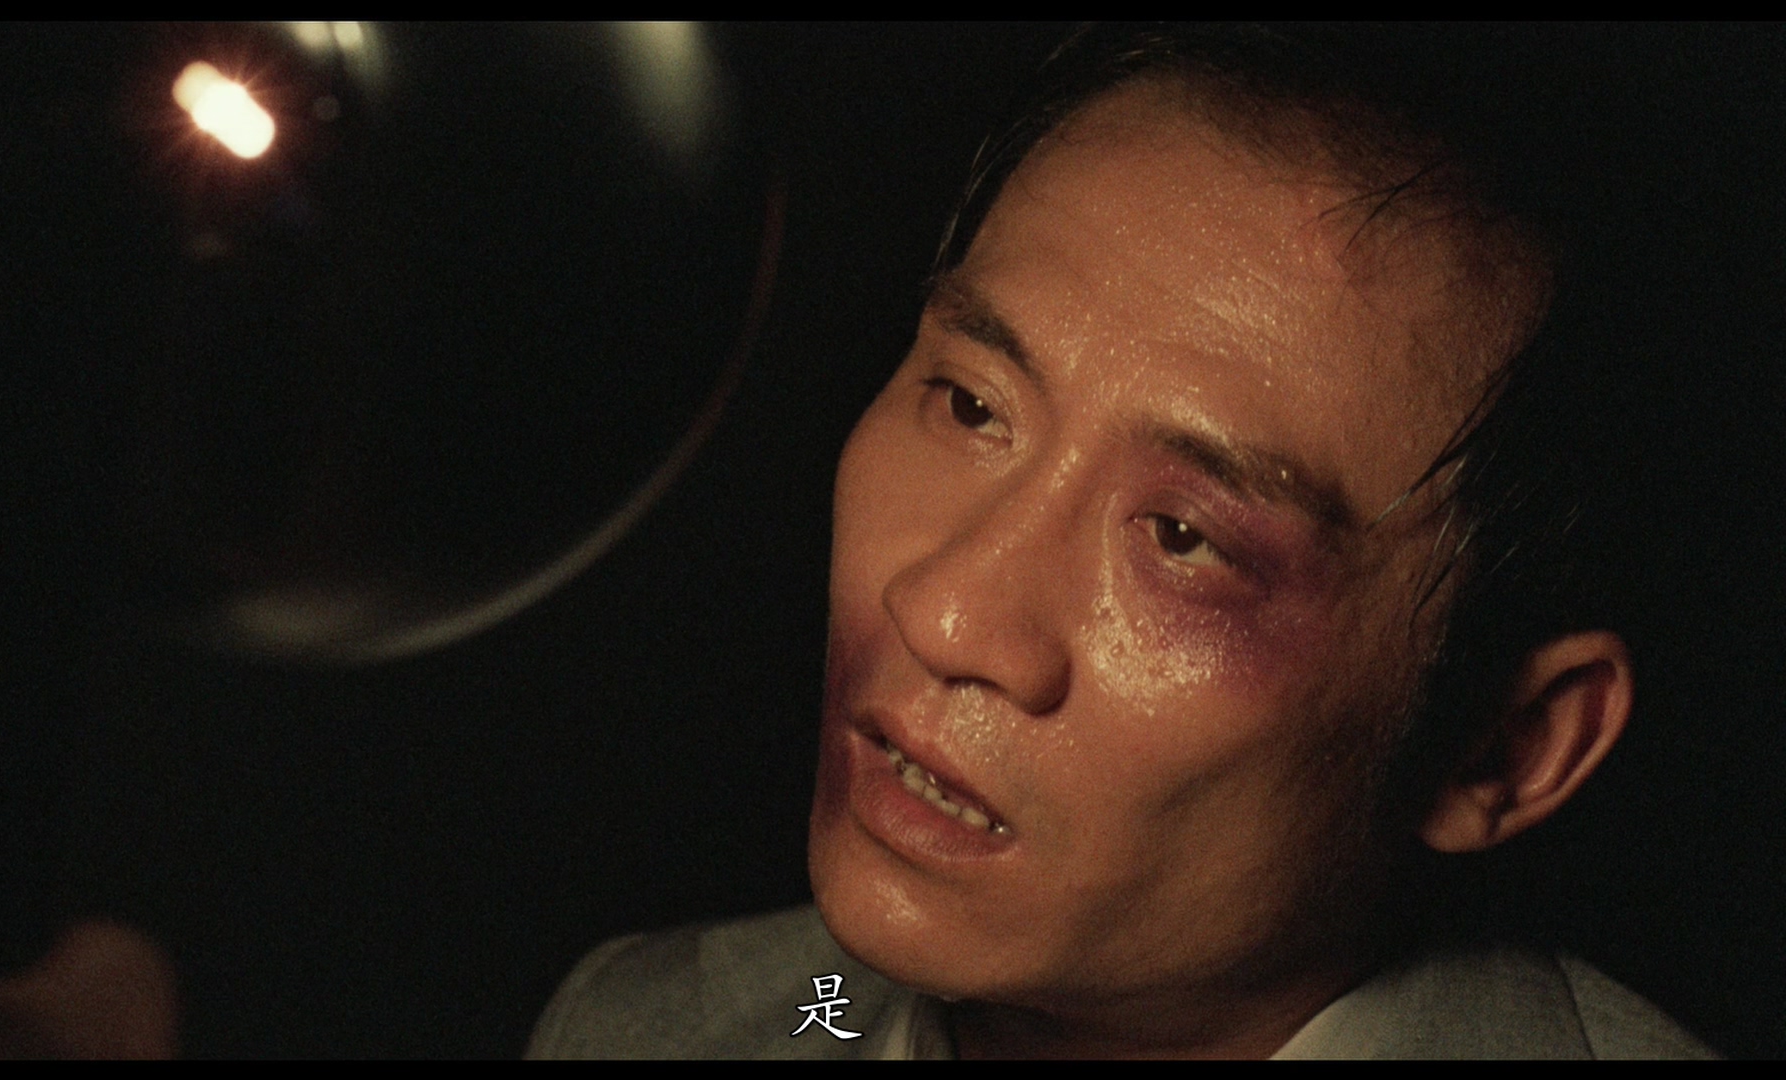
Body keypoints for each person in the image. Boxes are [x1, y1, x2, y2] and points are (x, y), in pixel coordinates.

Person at [526, 25, 1750, 1059]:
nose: (944, 614)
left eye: (1181, 538)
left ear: (1507, 746)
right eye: (972, 407)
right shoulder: (647, 1026)